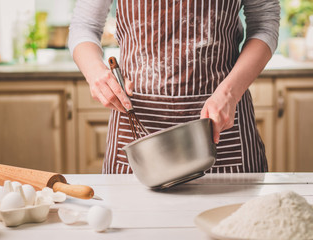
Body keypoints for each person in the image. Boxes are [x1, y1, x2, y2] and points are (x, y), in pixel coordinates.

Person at [69, 0, 280, 174]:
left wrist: (230, 93)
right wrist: (94, 71)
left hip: (222, 129)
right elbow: (85, 25)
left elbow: (264, 24)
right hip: (136, 125)